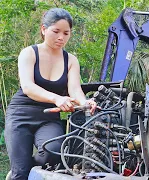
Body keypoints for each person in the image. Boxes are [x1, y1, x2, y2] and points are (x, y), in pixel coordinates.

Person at [4, 8, 97, 180]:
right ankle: (21, 170)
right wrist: (56, 98)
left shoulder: (71, 60)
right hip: (21, 114)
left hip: (49, 117)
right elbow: (28, 87)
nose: (61, 37)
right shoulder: (29, 53)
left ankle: (30, 169)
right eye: (56, 31)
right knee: (19, 174)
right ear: (43, 29)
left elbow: (75, 89)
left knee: (53, 153)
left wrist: (85, 102)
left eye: (66, 33)